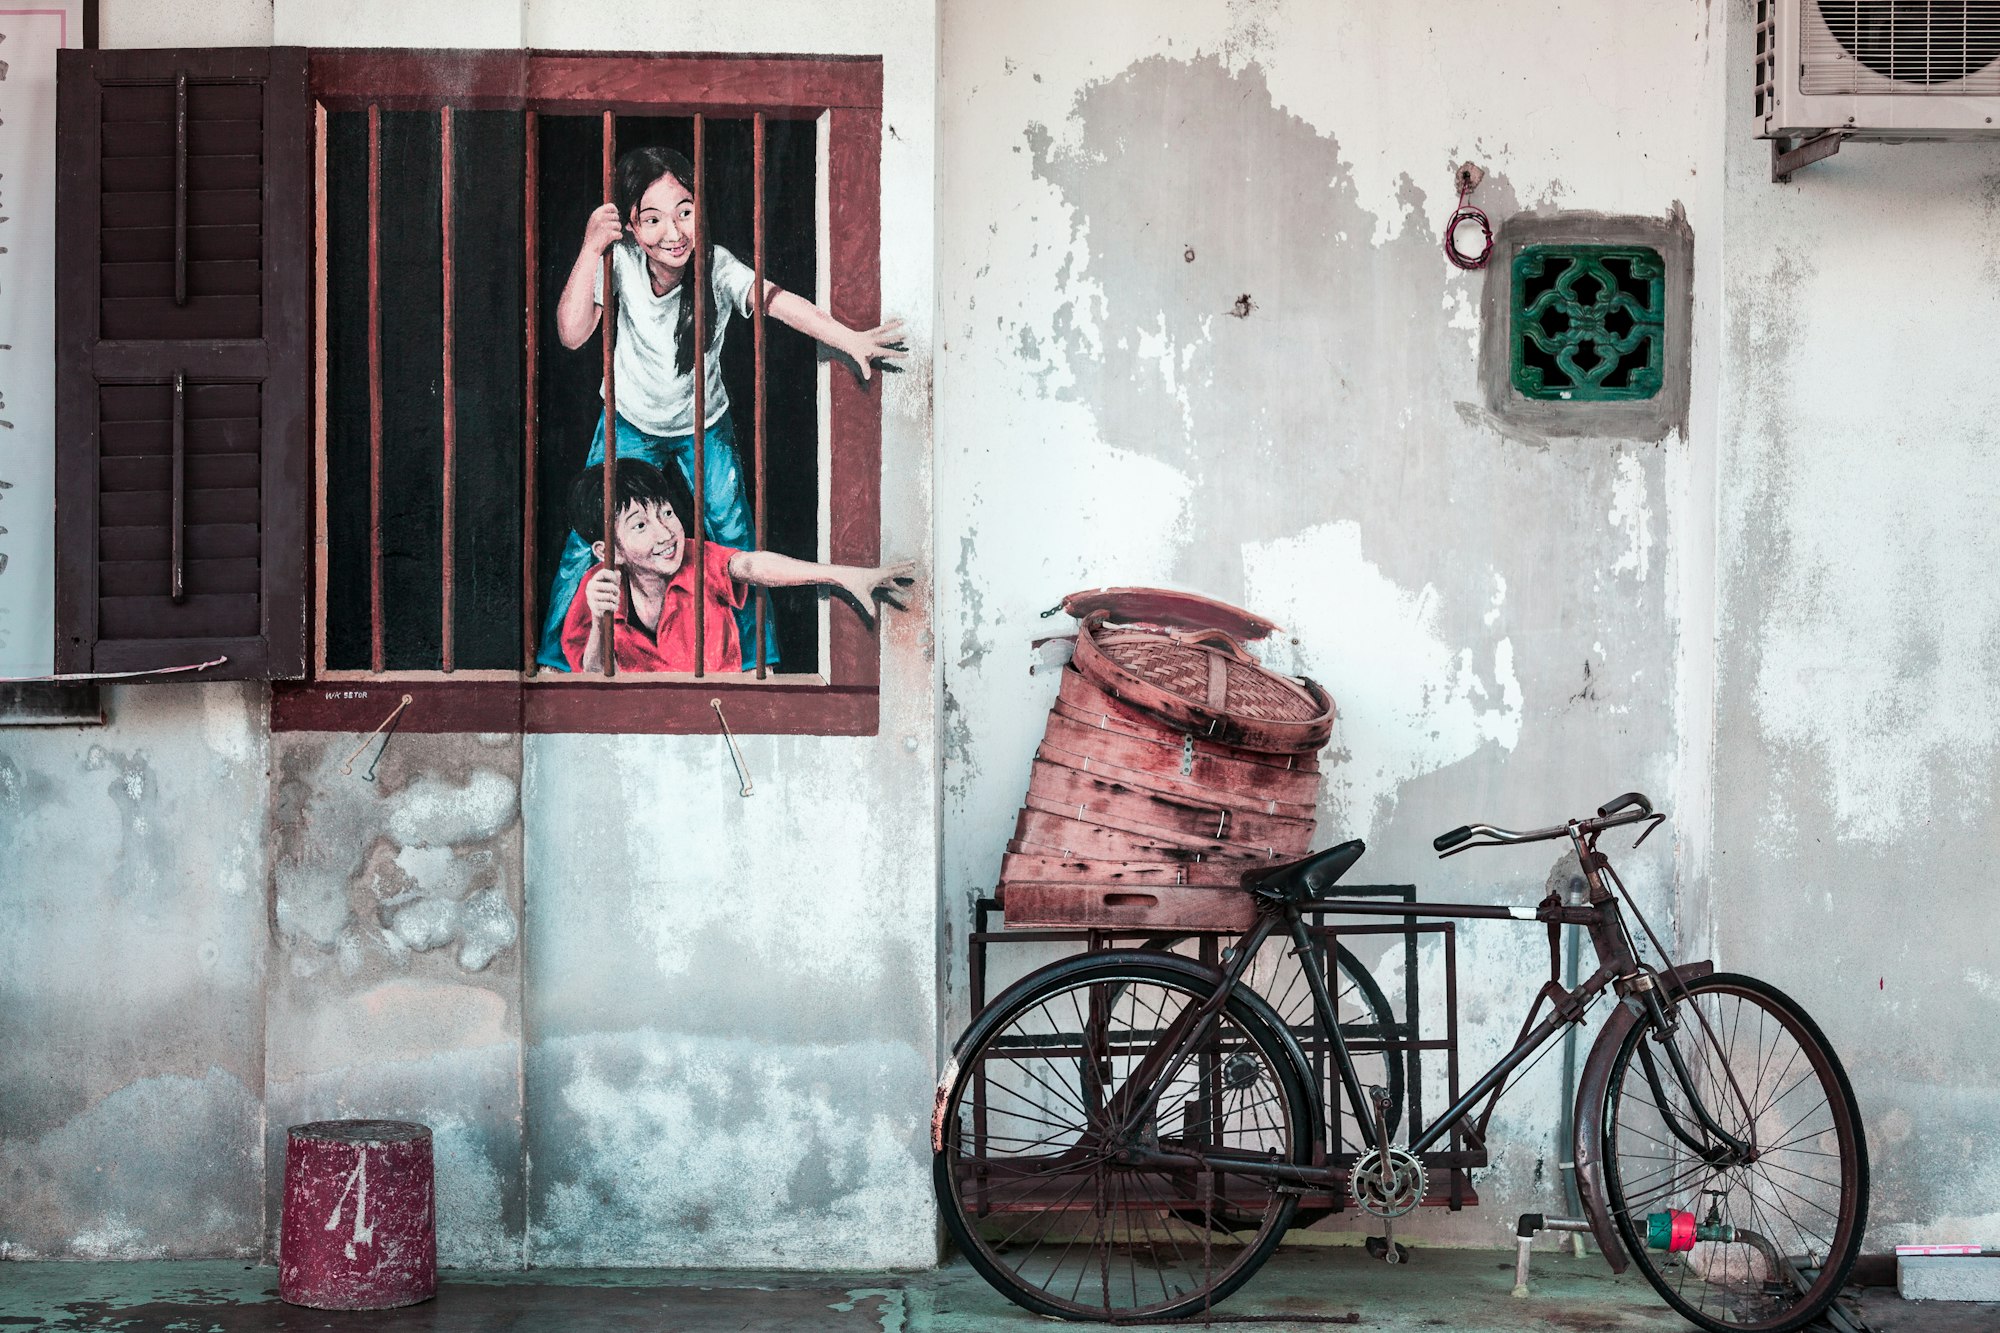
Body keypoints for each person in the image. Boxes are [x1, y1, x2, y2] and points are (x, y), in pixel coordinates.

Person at [537, 145, 907, 673]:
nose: (674, 231)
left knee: (733, 542)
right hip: (627, 420)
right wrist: (591, 244)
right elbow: (572, 334)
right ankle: (559, 663)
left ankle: (759, 663)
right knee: (589, 540)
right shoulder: (617, 262)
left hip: (702, 424)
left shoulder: (717, 266)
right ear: (633, 229)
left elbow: (778, 301)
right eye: (653, 219)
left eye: (685, 211)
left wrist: (849, 339)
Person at [559, 460, 914, 676]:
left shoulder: (697, 558)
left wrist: (841, 574)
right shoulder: (597, 589)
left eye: (666, 513)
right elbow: (592, 677)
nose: (665, 532)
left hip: (718, 717)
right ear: (608, 551)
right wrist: (600, 620)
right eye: (640, 525)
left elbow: (751, 564)